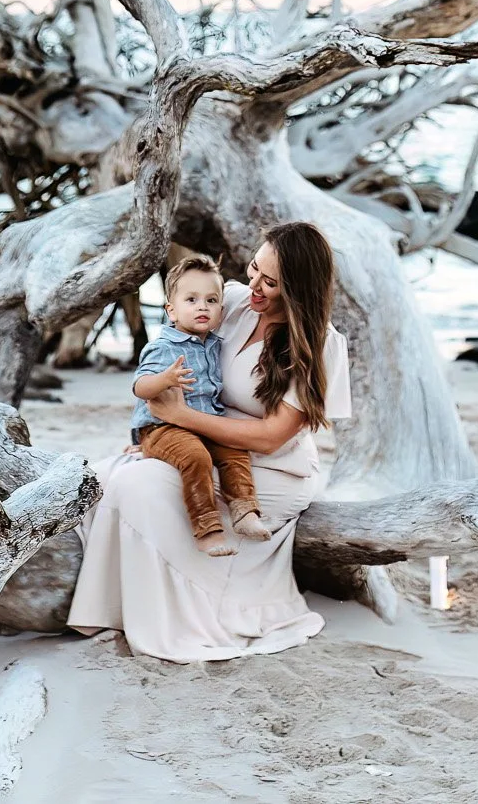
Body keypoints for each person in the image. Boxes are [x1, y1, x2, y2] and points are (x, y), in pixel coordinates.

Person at [67, 221, 350, 662]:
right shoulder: (230, 301)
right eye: (255, 268)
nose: (253, 285)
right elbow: (167, 352)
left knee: (141, 487)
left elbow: (273, 437)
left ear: (297, 290)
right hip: (200, 439)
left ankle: (185, 616)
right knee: (113, 475)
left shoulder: (319, 344)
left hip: (270, 469)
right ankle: (114, 607)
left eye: (270, 283)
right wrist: (157, 431)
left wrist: (182, 417)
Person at [128, 254, 268, 555]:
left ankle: (244, 511)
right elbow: (140, 387)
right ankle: (207, 529)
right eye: (191, 299)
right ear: (171, 311)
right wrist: (165, 379)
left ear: (221, 309)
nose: (202, 306)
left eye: (211, 300)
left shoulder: (215, 344)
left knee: (234, 451)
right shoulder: (163, 347)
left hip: (202, 422)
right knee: (196, 457)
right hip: (163, 427)